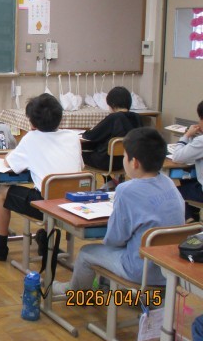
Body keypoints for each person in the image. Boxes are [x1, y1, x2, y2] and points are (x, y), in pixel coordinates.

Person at [53, 127, 185, 294]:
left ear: (134, 162)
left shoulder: (126, 190)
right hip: (171, 268)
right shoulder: (168, 183)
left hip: (140, 270)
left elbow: (115, 240)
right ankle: (105, 286)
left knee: (87, 252)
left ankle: (75, 294)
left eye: (124, 156)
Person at [0, 93, 83, 261]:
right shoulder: (73, 137)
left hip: (45, 207)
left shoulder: (31, 138)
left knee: (3, 191)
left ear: (32, 123)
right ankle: (46, 239)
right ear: (60, 118)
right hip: (74, 204)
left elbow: (9, 163)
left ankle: (0, 244)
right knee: (51, 189)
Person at [81, 86, 143, 171]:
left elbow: (92, 135)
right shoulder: (137, 117)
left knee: (78, 154)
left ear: (112, 104)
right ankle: (113, 179)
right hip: (129, 162)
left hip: (107, 162)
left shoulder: (114, 117)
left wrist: (84, 133)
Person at [172, 99, 203, 222]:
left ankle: (189, 221)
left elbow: (177, 156)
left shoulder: (201, 141)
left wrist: (187, 136)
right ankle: (192, 218)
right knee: (189, 184)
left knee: (175, 190)